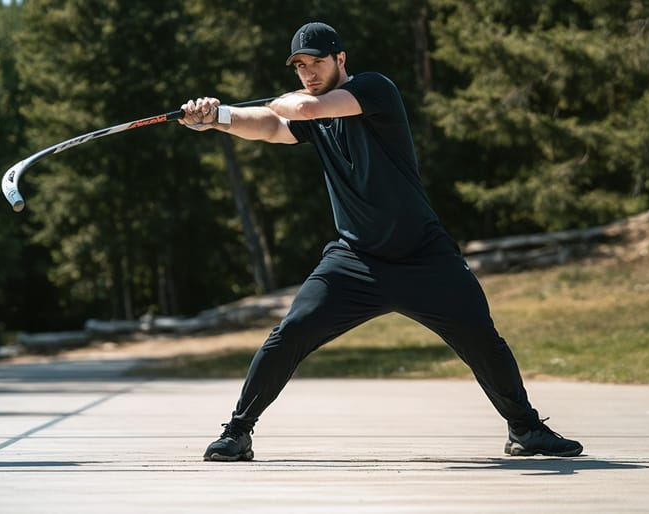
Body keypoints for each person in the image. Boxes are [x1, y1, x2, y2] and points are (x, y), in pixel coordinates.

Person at [179, 22, 583, 462]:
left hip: (424, 257)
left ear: (340, 59)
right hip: (354, 261)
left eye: (316, 62)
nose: (308, 73)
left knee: (482, 339)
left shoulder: (374, 90)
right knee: (289, 333)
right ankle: (237, 433)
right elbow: (271, 127)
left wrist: (274, 104)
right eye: (300, 66)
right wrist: (217, 118)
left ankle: (525, 430)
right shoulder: (314, 115)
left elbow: (300, 109)